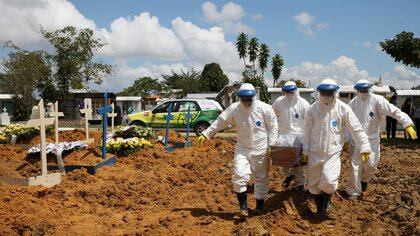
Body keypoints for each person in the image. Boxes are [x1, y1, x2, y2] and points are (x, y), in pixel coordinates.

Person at [197, 83, 278, 217]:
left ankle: (260, 206)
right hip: (243, 148)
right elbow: (220, 122)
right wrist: (206, 133)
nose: (246, 101)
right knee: (239, 175)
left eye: (249, 98)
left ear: (254, 96)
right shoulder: (234, 109)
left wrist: (272, 145)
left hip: (261, 148)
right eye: (243, 98)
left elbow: (273, 127)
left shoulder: (265, 108)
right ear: (239, 97)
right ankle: (243, 208)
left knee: (261, 178)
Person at [302, 79, 371, 217]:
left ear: (334, 92)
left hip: (333, 152)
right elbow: (306, 131)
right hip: (314, 152)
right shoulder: (313, 109)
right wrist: (305, 151)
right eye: (323, 93)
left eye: (329, 93)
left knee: (328, 180)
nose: (326, 96)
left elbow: (356, 129)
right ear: (319, 93)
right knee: (313, 184)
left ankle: (327, 201)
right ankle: (321, 207)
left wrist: (364, 147)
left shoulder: (343, 108)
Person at [346, 80, 417, 199]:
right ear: (357, 90)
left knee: (371, 165)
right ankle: (353, 191)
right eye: (360, 90)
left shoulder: (377, 100)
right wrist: (345, 139)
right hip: (356, 140)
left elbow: (394, 111)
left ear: (369, 89)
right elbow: (346, 121)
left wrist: (407, 123)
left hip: (372, 140)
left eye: (365, 90)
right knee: (355, 165)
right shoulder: (352, 103)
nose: (363, 92)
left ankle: (364, 180)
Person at [271, 81, 310, 191]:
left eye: (291, 92)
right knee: (284, 162)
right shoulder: (280, 101)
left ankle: (300, 184)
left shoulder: (303, 103)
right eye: (286, 92)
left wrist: (307, 140)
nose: (289, 94)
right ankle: (288, 176)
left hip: (299, 137)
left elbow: (308, 123)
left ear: (296, 91)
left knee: (299, 164)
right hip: (284, 137)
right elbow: (270, 114)